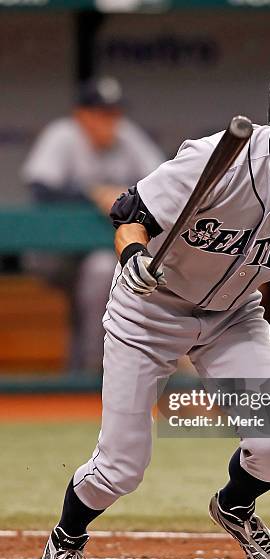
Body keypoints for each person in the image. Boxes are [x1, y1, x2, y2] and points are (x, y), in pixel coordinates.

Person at [36, 57, 270, 559]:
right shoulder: (216, 157)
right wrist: (133, 259)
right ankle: (66, 538)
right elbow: (131, 214)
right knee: (122, 466)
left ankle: (235, 506)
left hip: (233, 318)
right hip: (148, 313)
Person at [22, 77, 165, 371]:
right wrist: (92, 194)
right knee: (99, 273)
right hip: (55, 254)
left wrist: (123, 196)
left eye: (114, 113)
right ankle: (89, 376)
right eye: (101, 113)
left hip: (102, 251)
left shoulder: (127, 136)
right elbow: (41, 190)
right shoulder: (63, 135)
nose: (110, 121)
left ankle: (90, 372)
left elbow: (162, 182)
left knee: (101, 270)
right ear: (81, 114)